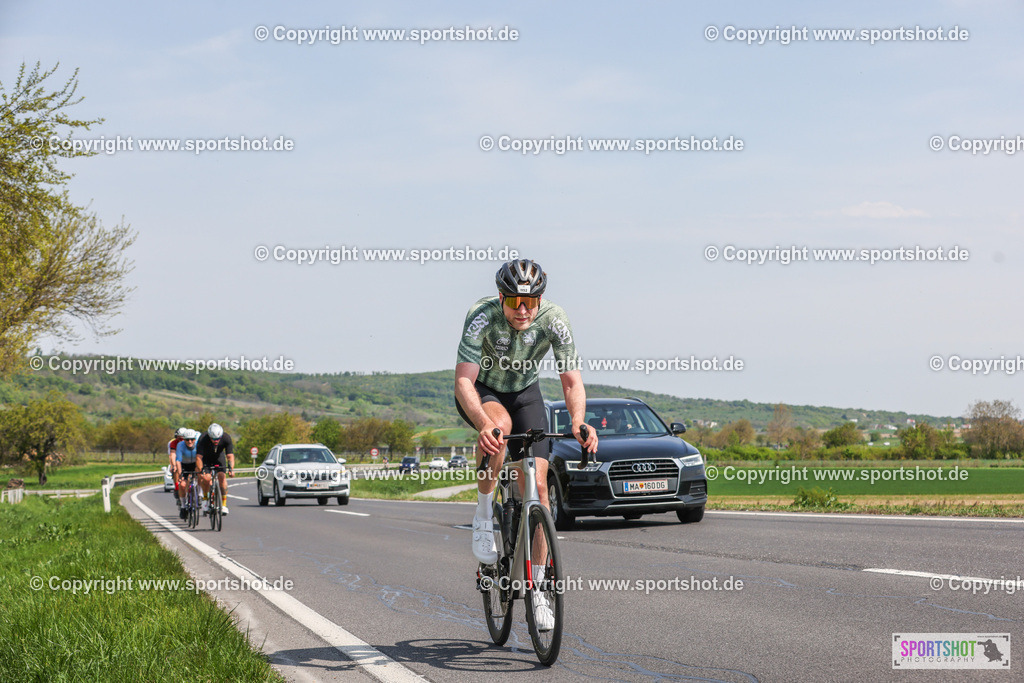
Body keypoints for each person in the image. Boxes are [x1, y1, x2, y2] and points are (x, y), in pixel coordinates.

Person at [455, 258, 598, 630]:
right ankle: (484, 512)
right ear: (501, 297)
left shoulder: (554, 318)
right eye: (515, 302)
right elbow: (463, 383)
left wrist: (578, 421)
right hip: (483, 390)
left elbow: (571, 381)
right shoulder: (482, 315)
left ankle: (537, 590)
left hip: (526, 393)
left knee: (538, 488)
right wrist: (484, 423)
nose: (523, 310)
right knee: (499, 429)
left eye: (530, 303)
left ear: (540, 301)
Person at [195, 423, 235, 516]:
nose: (216, 441)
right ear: (209, 436)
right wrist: (201, 470)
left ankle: (224, 505)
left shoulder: (226, 438)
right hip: (206, 459)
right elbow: (199, 457)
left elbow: (230, 456)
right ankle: (205, 499)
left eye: (218, 439)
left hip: (219, 457)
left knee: (222, 477)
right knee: (206, 478)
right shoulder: (203, 438)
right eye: (213, 439)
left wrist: (231, 469)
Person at [175, 429, 199, 519]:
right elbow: (178, 461)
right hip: (184, 465)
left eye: (192, 439)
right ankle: (183, 507)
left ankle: (199, 496)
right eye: (187, 439)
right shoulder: (180, 445)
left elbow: (201, 458)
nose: (190, 441)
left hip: (195, 464)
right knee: (182, 485)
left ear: (195, 439)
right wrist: (180, 474)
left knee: (201, 477)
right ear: (183, 440)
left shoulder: (198, 445)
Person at [168, 427, 186, 502]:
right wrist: (173, 465)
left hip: (187, 460)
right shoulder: (173, 443)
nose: (180, 440)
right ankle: (176, 488)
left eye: (182, 439)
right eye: (179, 438)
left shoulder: (190, 442)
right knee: (175, 470)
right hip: (178, 459)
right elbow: (172, 455)